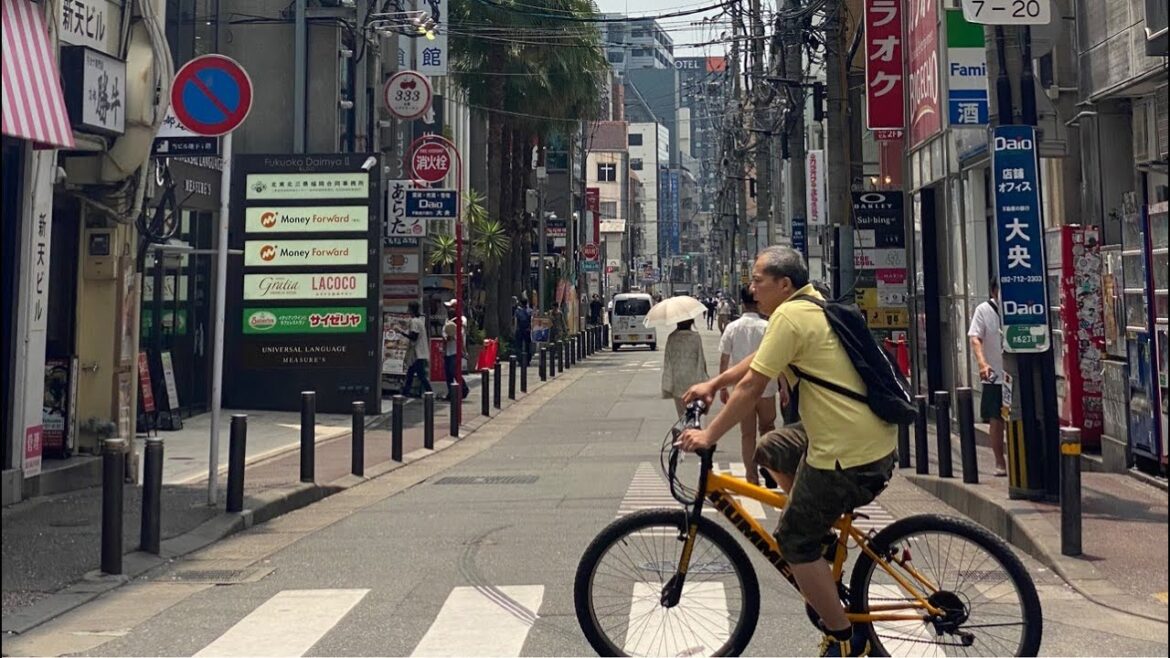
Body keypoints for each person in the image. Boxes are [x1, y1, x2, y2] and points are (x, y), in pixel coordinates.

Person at [679, 246, 896, 657]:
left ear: (784, 284)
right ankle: (824, 536)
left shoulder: (790, 317)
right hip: (856, 437)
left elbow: (750, 387)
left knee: (793, 542)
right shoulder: (812, 304)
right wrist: (712, 384)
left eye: (758, 279)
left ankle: (844, 638)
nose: (751, 287)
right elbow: (760, 360)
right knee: (770, 448)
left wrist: (708, 436)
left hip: (846, 453)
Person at [718, 286, 778, 486]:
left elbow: (724, 359)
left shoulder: (732, 328)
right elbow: (780, 359)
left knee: (747, 434)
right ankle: (770, 468)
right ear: (758, 302)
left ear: (742, 303)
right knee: (768, 429)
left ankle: (751, 477)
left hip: (742, 388)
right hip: (768, 387)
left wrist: (722, 387)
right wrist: (784, 387)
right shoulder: (768, 326)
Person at [968, 279, 1007, 476]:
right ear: (993, 291)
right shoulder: (984, 310)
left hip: (1016, 374)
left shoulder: (1020, 307)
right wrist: (983, 364)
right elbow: (975, 338)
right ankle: (1000, 461)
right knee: (996, 418)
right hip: (995, 375)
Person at [661, 319, 709, 418]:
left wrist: (667, 383)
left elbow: (667, 361)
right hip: (693, 380)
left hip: (677, 381)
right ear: (692, 322)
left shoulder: (671, 338)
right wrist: (703, 381)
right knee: (694, 415)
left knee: (682, 415)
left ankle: (684, 431)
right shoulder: (696, 337)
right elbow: (701, 360)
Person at [401, 301, 432, 397]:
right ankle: (406, 392)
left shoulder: (414, 321)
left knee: (420, 374)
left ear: (411, 309)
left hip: (418, 353)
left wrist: (402, 332)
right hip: (419, 352)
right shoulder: (419, 321)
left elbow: (414, 336)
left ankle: (429, 392)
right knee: (411, 373)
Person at [441, 300, 470, 401]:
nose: (449, 309)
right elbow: (445, 333)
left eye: (451, 307)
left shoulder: (462, 319)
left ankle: (464, 389)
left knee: (453, 371)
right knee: (448, 373)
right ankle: (451, 393)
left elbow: (460, 334)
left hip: (456, 350)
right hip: (448, 349)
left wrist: (464, 350)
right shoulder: (447, 320)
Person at [513, 298, 533, 366]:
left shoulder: (517, 311)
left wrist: (515, 330)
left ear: (521, 303)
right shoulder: (530, 311)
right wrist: (530, 328)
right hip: (527, 330)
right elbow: (532, 321)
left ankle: (520, 360)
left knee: (519, 346)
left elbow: (516, 321)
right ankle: (528, 360)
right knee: (528, 346)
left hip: (519, 330)